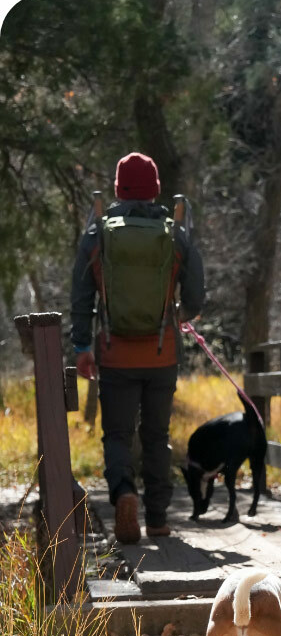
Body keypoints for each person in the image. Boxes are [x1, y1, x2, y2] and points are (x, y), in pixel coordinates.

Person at [71, 152, 205, 543]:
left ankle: (124, 493)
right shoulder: (175, 233)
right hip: (162, 353)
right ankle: (159, 517)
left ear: (117, 188)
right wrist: (180, 314)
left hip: (114, 353)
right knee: (156, 433)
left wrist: (82, 346)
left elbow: (80, 297)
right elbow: (196, 295)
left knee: (116, 434)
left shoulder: (98, 234)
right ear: (156, 190)